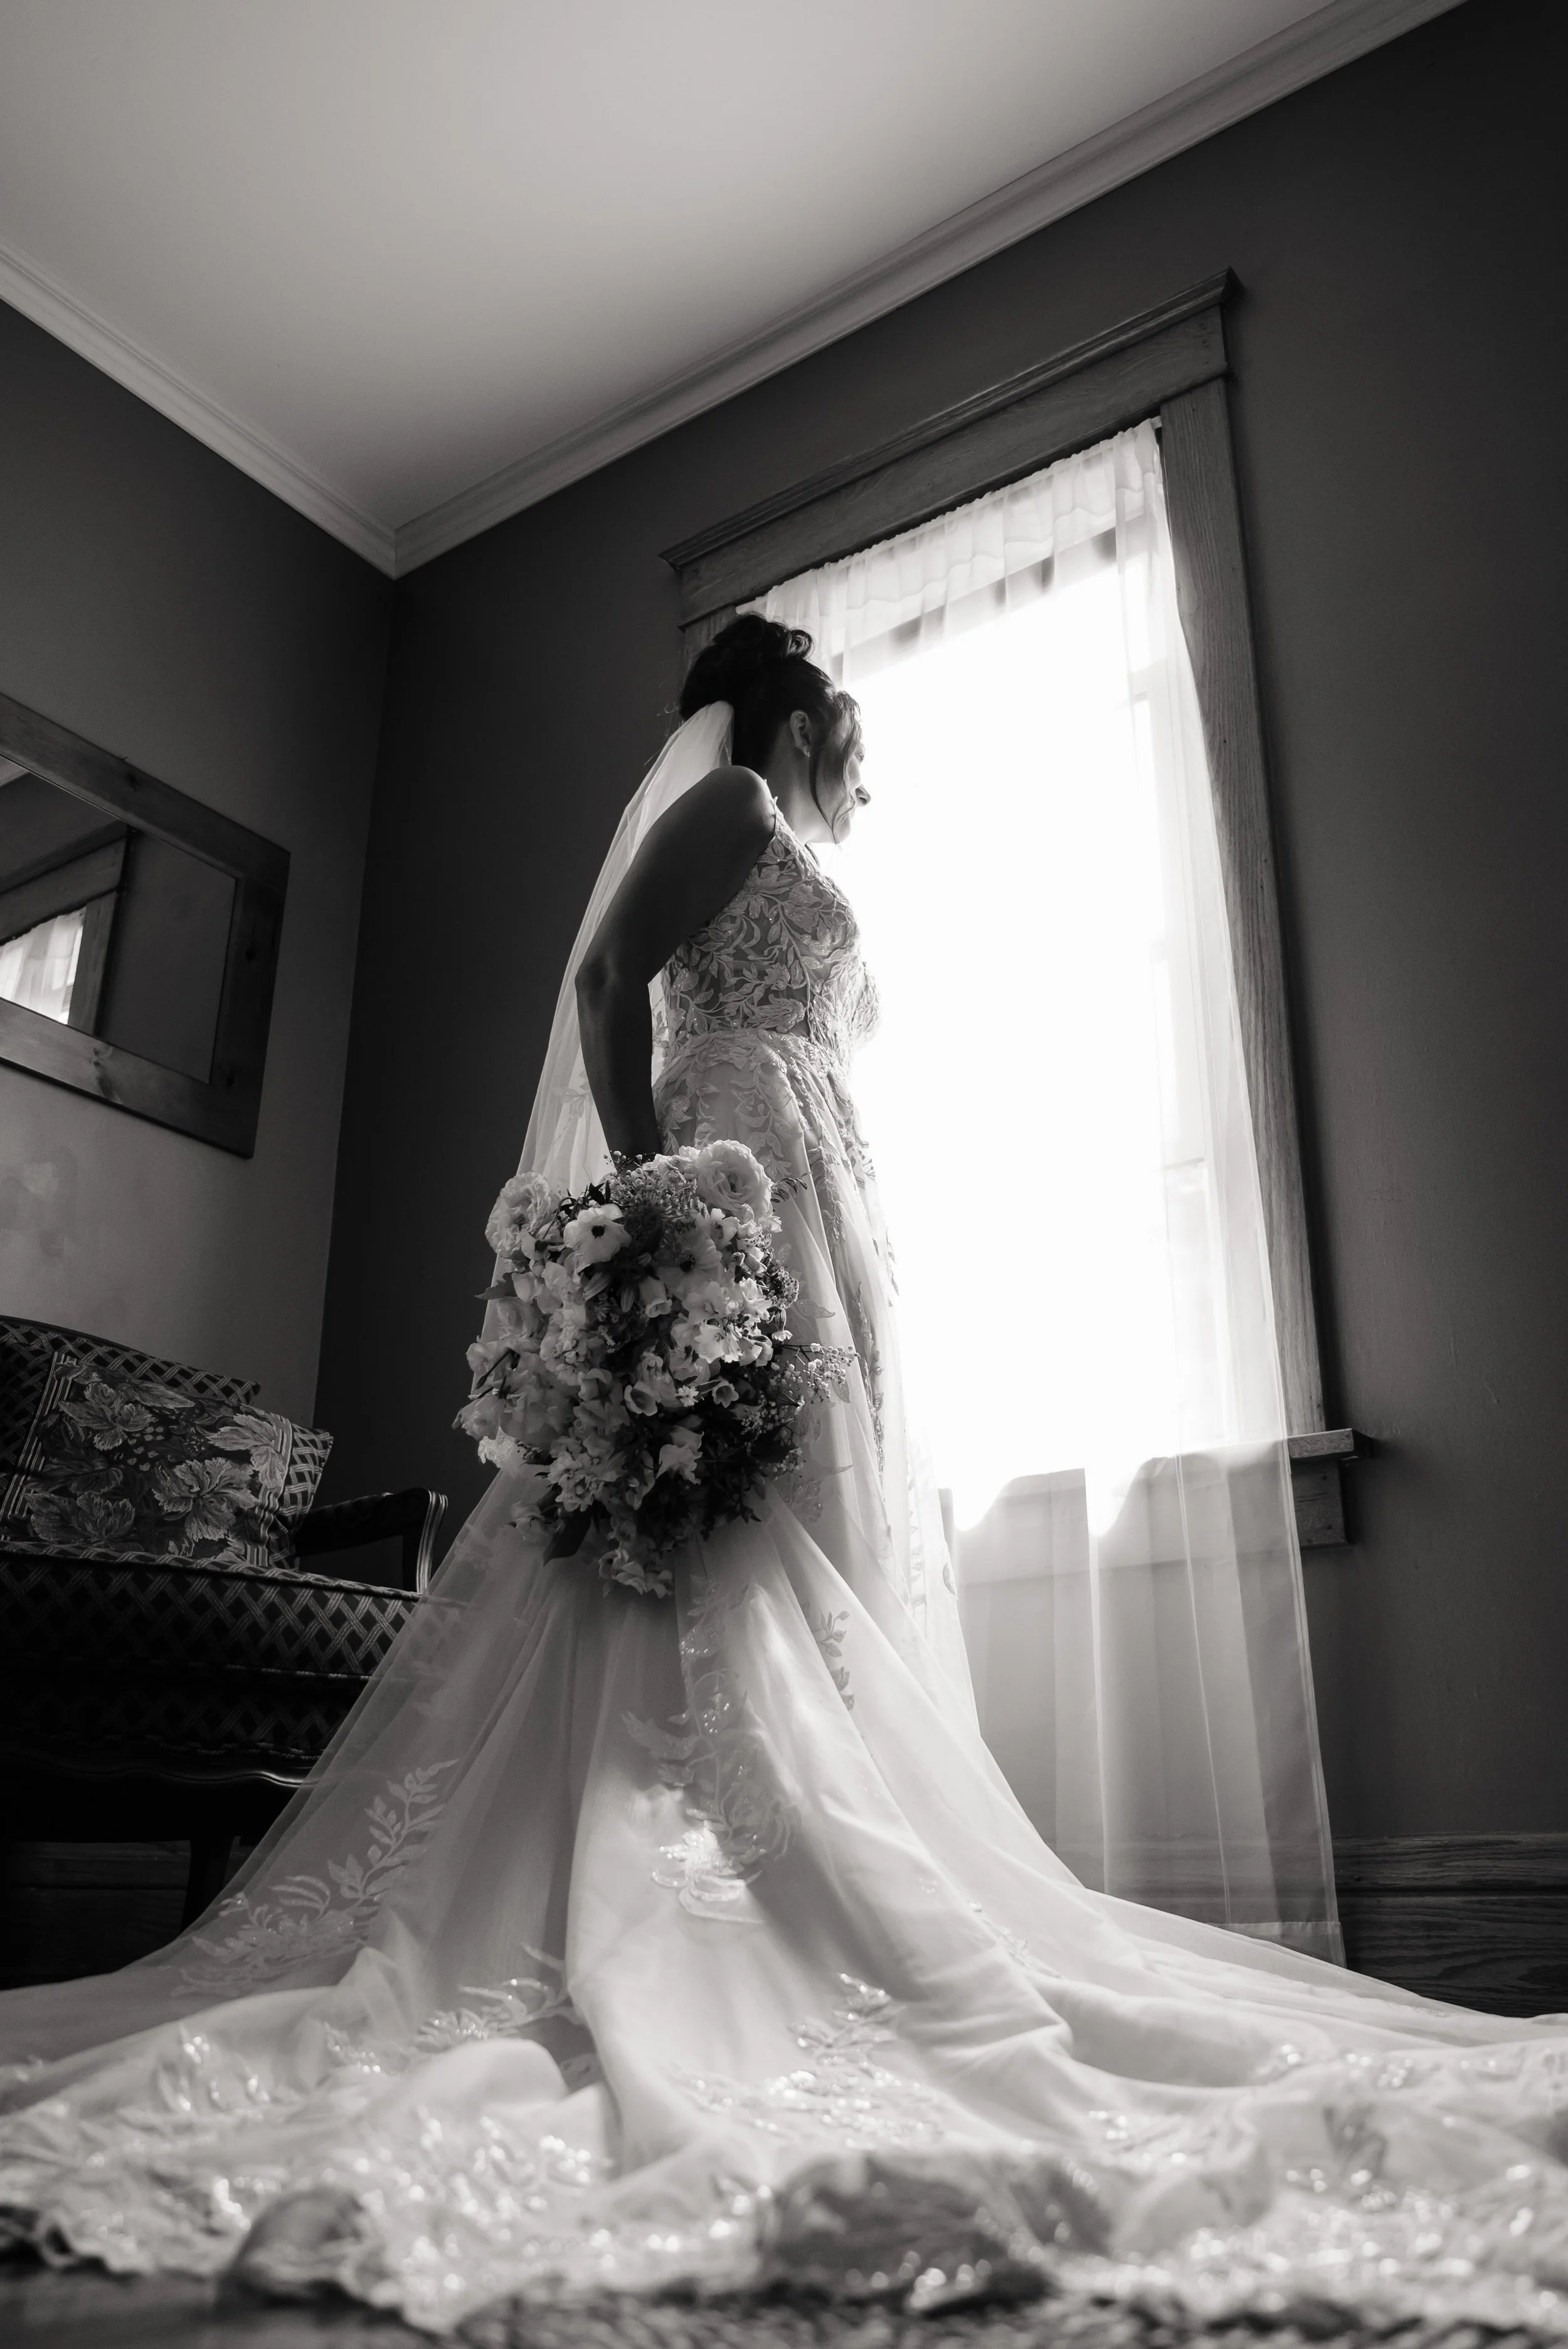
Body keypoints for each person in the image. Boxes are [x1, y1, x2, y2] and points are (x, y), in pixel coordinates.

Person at [3, 617, 1567, 2339]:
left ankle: (776, 1897)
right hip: (736, 1196)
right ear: (806, 707)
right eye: (859, 731)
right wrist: (669, 1196)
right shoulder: (734, 796)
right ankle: (693, 1920)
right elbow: (611, 984)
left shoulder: (783, 833)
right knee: (699, 1549)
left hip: (816, 1214)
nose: (866, 769)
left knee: (781, 1542)